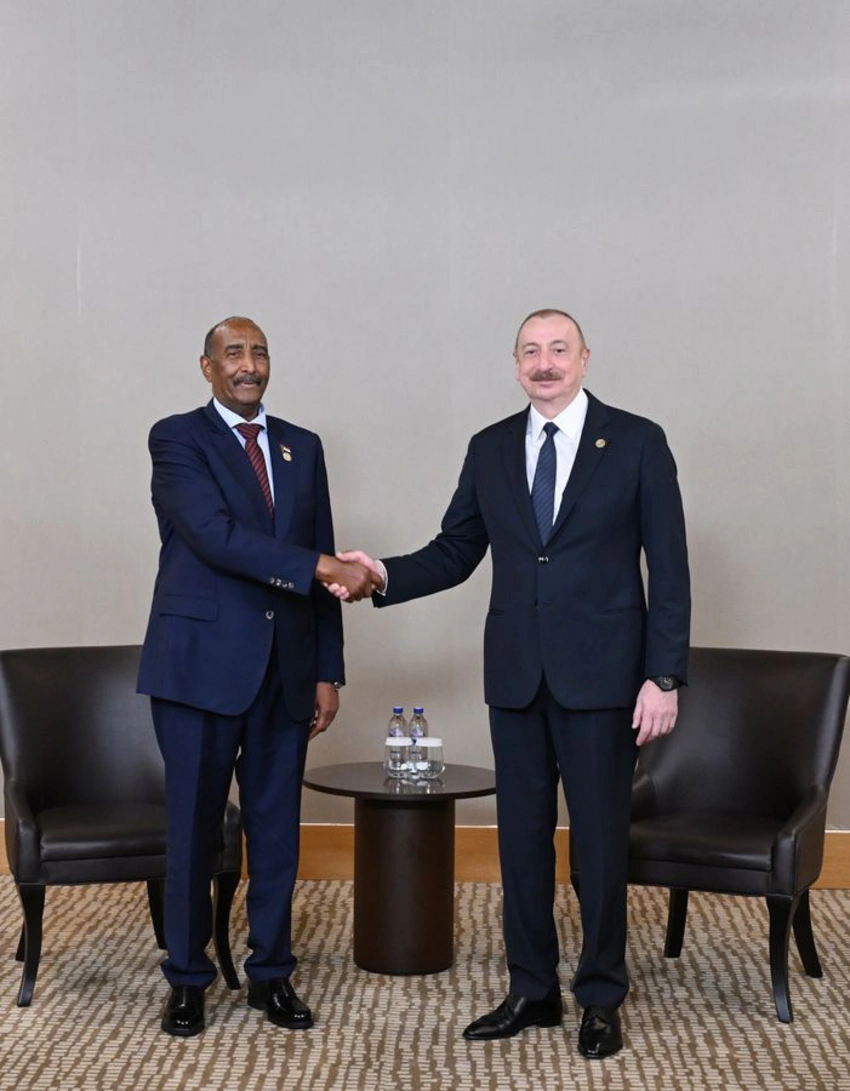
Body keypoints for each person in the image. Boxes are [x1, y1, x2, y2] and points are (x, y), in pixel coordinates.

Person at [332, 309, 690, 1059]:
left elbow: (670, 567)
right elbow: (456, 549)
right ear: (516, 363)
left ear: (585, 358)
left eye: (558, 349)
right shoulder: (491, 446)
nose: (544, 362)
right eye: (531, 351)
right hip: (518, 677)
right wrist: (382, 574)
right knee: (521, 842)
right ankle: (532, 989)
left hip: (605, 679)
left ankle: (601, 995)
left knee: (598, 845)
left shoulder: (637, 441)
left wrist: (663, 676)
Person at [137, 316, 378, 1038]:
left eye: (260, 353)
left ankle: (271, 972)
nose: (249, 365)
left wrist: (328, 670)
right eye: (234, 353)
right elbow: (215, 537)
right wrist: (322, 566)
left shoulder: (303, 446)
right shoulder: (177, 438)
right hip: (198, 670)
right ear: (208, 367)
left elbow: (319, 551)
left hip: (286, 671)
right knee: (193, 831)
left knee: (276, 835)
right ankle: (187, 978)